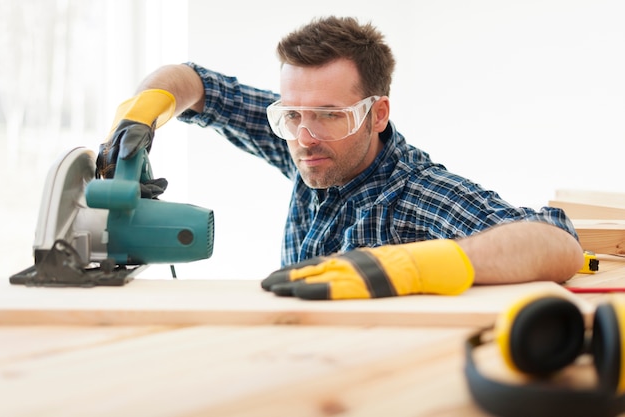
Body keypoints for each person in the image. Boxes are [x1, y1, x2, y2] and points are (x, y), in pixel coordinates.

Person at [97, 16, 584, 300]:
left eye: (328, 115)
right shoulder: (310, 146)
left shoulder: (413, 195)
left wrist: (412, 265)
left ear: (377, 115)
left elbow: (559, 244)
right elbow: (195, 83)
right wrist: (141, 114)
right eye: (292, 114)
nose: (305, 137)